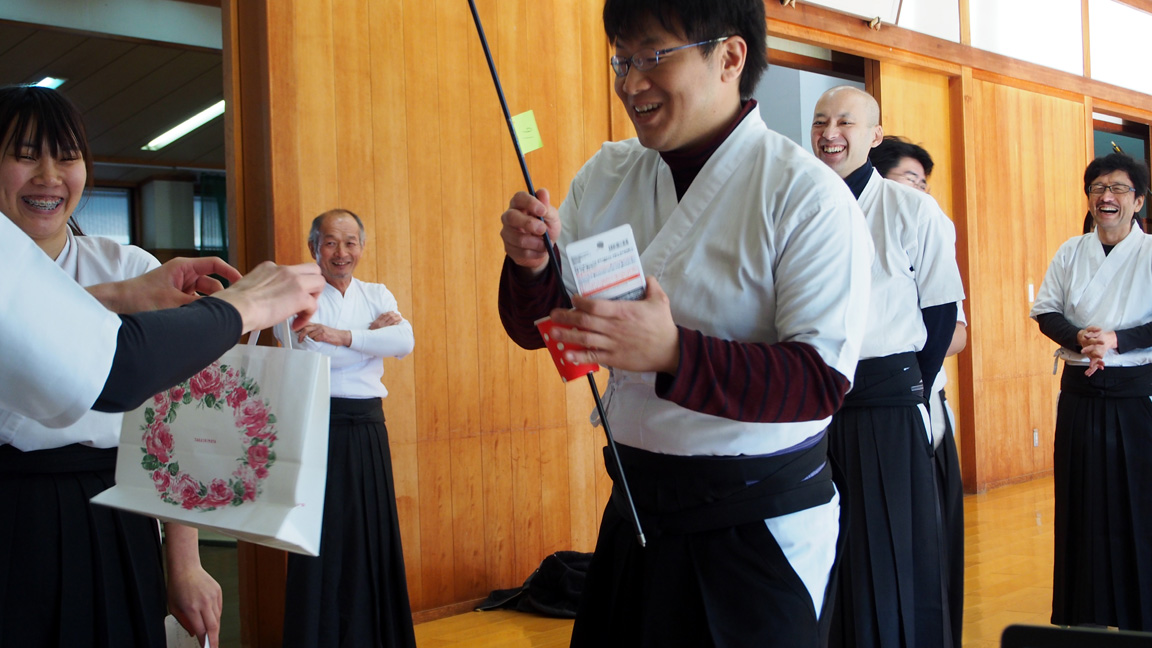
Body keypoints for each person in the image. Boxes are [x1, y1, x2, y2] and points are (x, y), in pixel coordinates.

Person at [497, 0, 874, 645]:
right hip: (636, 509)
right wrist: (531, 266)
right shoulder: (607, 174)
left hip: (755, 529)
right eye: (621, 60)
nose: (630, 82)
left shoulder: (806, 196)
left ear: (729, 56)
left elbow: (820, 382)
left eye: (652, 55)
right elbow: (546, 327)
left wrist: (674, 352)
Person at [811, 87, 965, 648]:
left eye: (845, 122)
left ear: (874, 136)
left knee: (893, 544)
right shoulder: (799, 204)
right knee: (822, 547)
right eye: (820, 121)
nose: (830, 133)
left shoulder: (913, 209)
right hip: (813, 397)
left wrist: (913, 387)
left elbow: (941, 309)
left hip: (888, 397)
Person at [277, 209, 416, 648]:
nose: (342, 252)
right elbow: (311, 353)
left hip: (369, 426)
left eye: (351, 242)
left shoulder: (376, 293)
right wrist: (371, 339)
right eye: (331, 242)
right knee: (320, 536)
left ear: (362, 247)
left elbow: (404, 341)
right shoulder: (295, 297)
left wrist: (341, 336)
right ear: (314, 247)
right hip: (318, 425)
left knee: (369, 534)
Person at [1030, 153, 1152, 631]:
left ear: (1138, 201)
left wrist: (1117, 339)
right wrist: (1080, 337)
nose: (1107, 196)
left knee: (1138, 506)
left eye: (1119, 188)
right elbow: (1046, 311)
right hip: (1080, 394)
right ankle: (1084, 619)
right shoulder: (1070, 251)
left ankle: (1142, 619)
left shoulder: (1149, 252)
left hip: (1135, 396)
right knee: (1080, 505)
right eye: (1098, 188)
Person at [870, 134, 967, 648]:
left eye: (923, 183)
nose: (919, 192)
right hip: (855, 409)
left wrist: (911, 373)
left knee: (926, 542)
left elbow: (958, 331)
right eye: (909, 180)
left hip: (916, 406)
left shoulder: (928, 227)